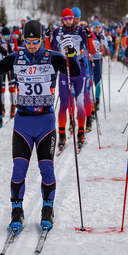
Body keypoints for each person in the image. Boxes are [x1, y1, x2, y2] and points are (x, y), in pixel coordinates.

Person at [0, 20, 80, 233]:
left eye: (35, 41)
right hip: (23, 123)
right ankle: (16, 211)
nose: (31, 46)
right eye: (27, 42)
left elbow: (74, 71)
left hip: (45, 122)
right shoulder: (16, 58)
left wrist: (71, 52)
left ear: (42, 39)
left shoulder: (53, 57)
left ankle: (47, 209)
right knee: (19, 169)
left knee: (46, 168)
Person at [49, 8, 96, 150]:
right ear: (62, 19)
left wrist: (89, 36)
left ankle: (80, 131)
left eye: (71, 18)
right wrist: (47, 37)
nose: (69, 21)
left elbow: (93, 51)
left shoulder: (81, 31)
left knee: (80, 101)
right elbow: (49, 51)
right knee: (64, 102)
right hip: (64, 69)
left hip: (80, 69)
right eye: (66, 18)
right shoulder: (58, 32)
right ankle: (62, 134)